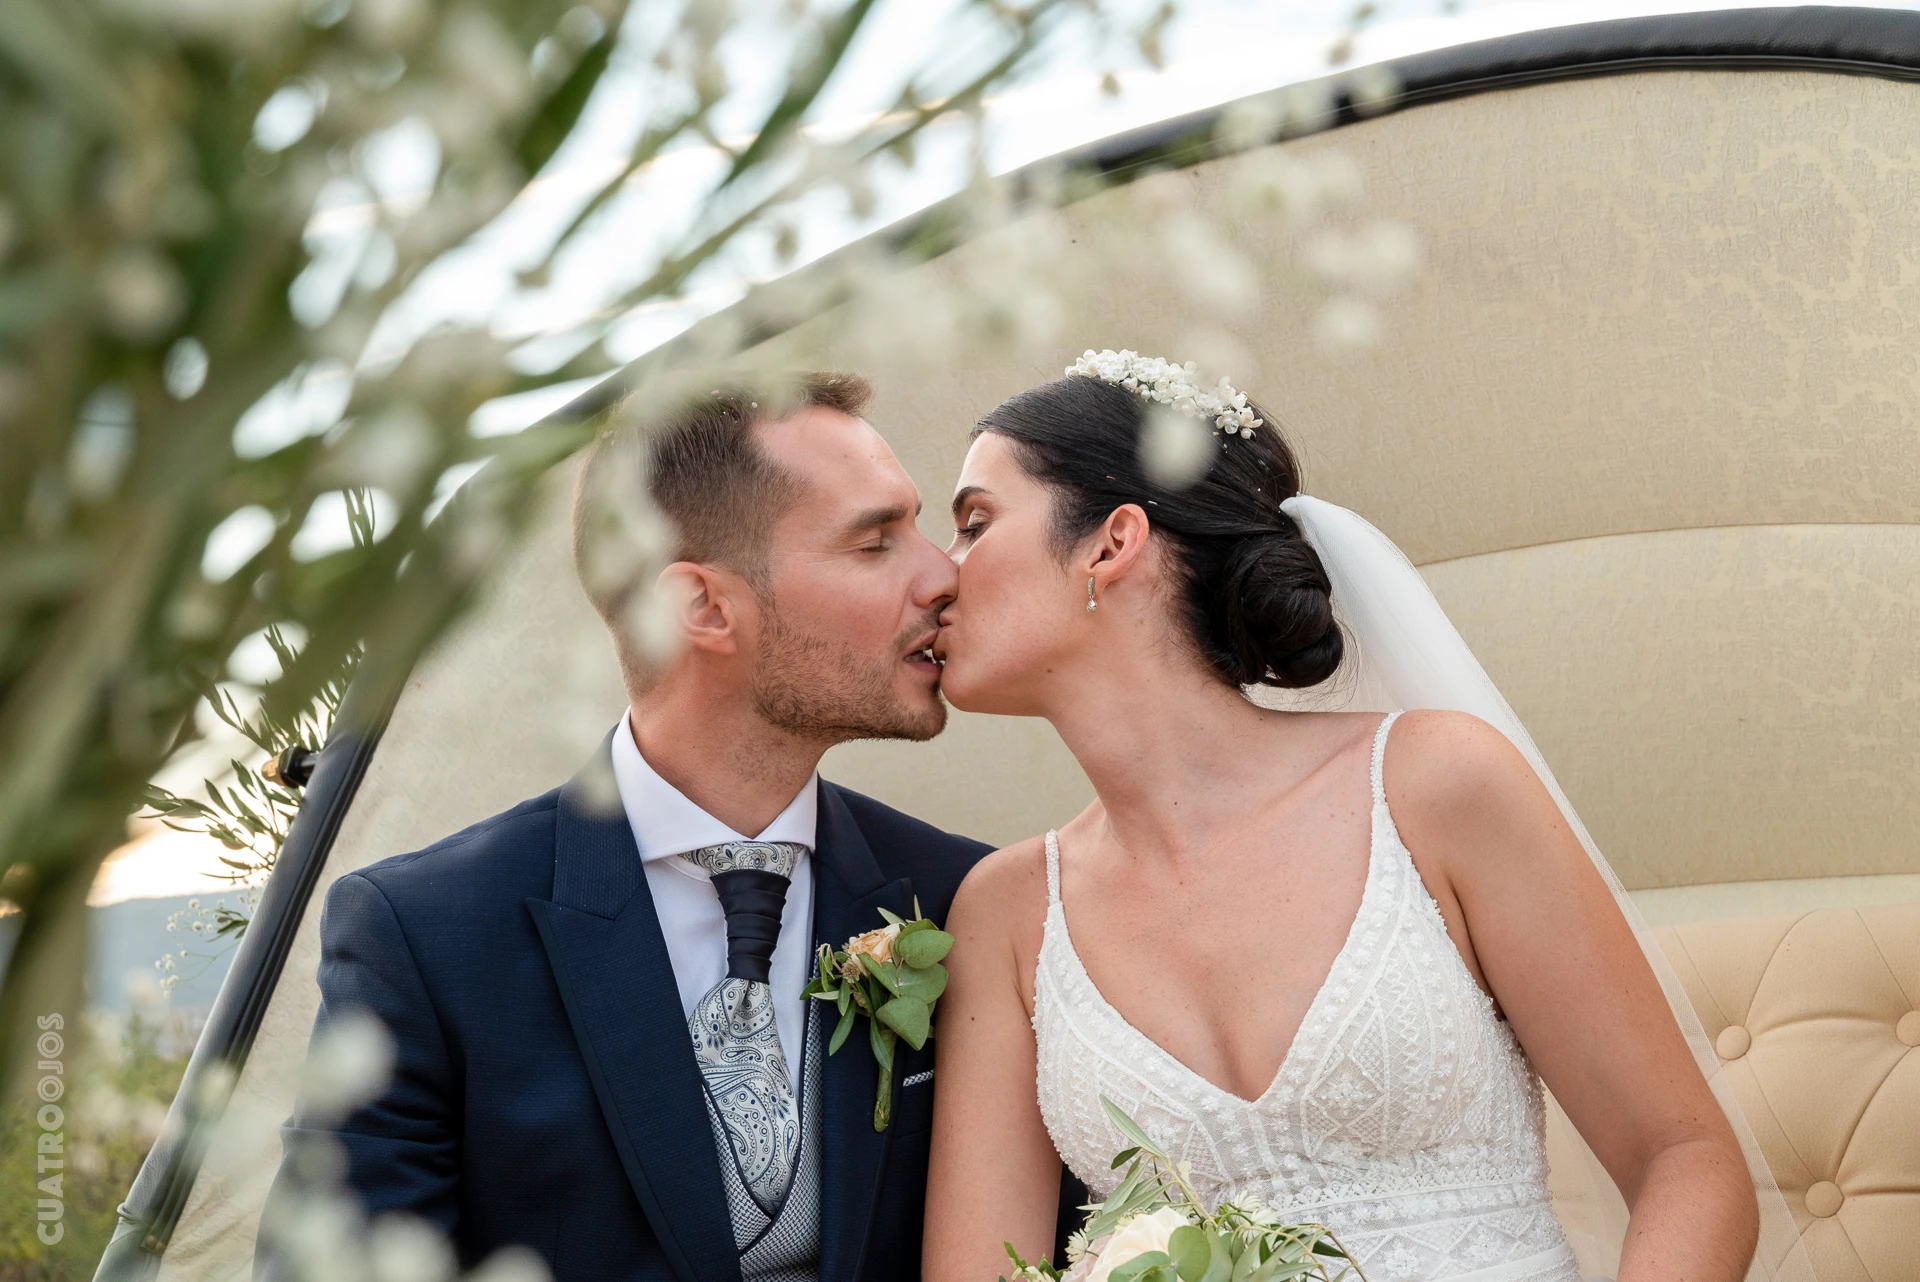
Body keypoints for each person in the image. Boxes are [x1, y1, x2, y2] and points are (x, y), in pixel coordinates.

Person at [922, 353, 1764, 1282]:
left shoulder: (1434, 786)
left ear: (1111, 543)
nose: (936, 576)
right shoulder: (1005, 916)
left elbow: (1686, 1163)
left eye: (973, 525)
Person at [260, 374, 994, 1282]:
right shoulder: (426, 934)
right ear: (703, 607)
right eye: (876, 541)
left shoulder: (963, 899)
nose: (943, 575)